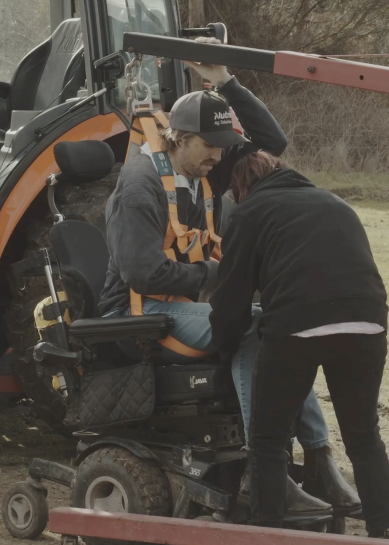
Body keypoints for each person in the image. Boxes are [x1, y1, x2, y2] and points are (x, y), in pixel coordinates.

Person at [97, 44, 360, 518]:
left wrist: (226, 82)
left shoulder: (200, 172)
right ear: (179, 138)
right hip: (138, 315)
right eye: (210, 145)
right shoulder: (139, 188)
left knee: (284, 327)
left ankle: (319, 459)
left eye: (222, 146)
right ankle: (265, 471)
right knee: (257, 326)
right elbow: (143, 274)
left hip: (181, 305)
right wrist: (221, 272)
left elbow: (272, 141)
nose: (220, 156)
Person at [208, 152, 389, 538]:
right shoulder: (335, 202)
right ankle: (384, 531)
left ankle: (268, 530)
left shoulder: (249, 212)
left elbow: (231, 302)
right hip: (367, 322)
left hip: (298, 325)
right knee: (364, 437)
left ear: (241, 187)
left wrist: (222, 353)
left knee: (268, 440)